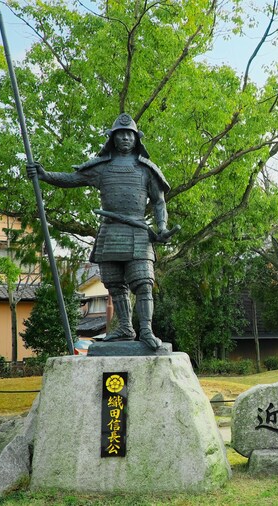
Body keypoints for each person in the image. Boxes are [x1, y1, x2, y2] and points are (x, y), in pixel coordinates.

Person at [27, 113, 171, 351]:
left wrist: (162, 227)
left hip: (137, 233)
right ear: (112, 138)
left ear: (136, 139)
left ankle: (146, 329)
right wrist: (45, 175)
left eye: (129, 134)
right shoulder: (101, 167)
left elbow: (159, 201)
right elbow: (73, 179)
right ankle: (125, 327)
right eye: (120, 134)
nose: (125, 138)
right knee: (114, 285)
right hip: (110, 232)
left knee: (143, 283)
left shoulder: (146, 169)